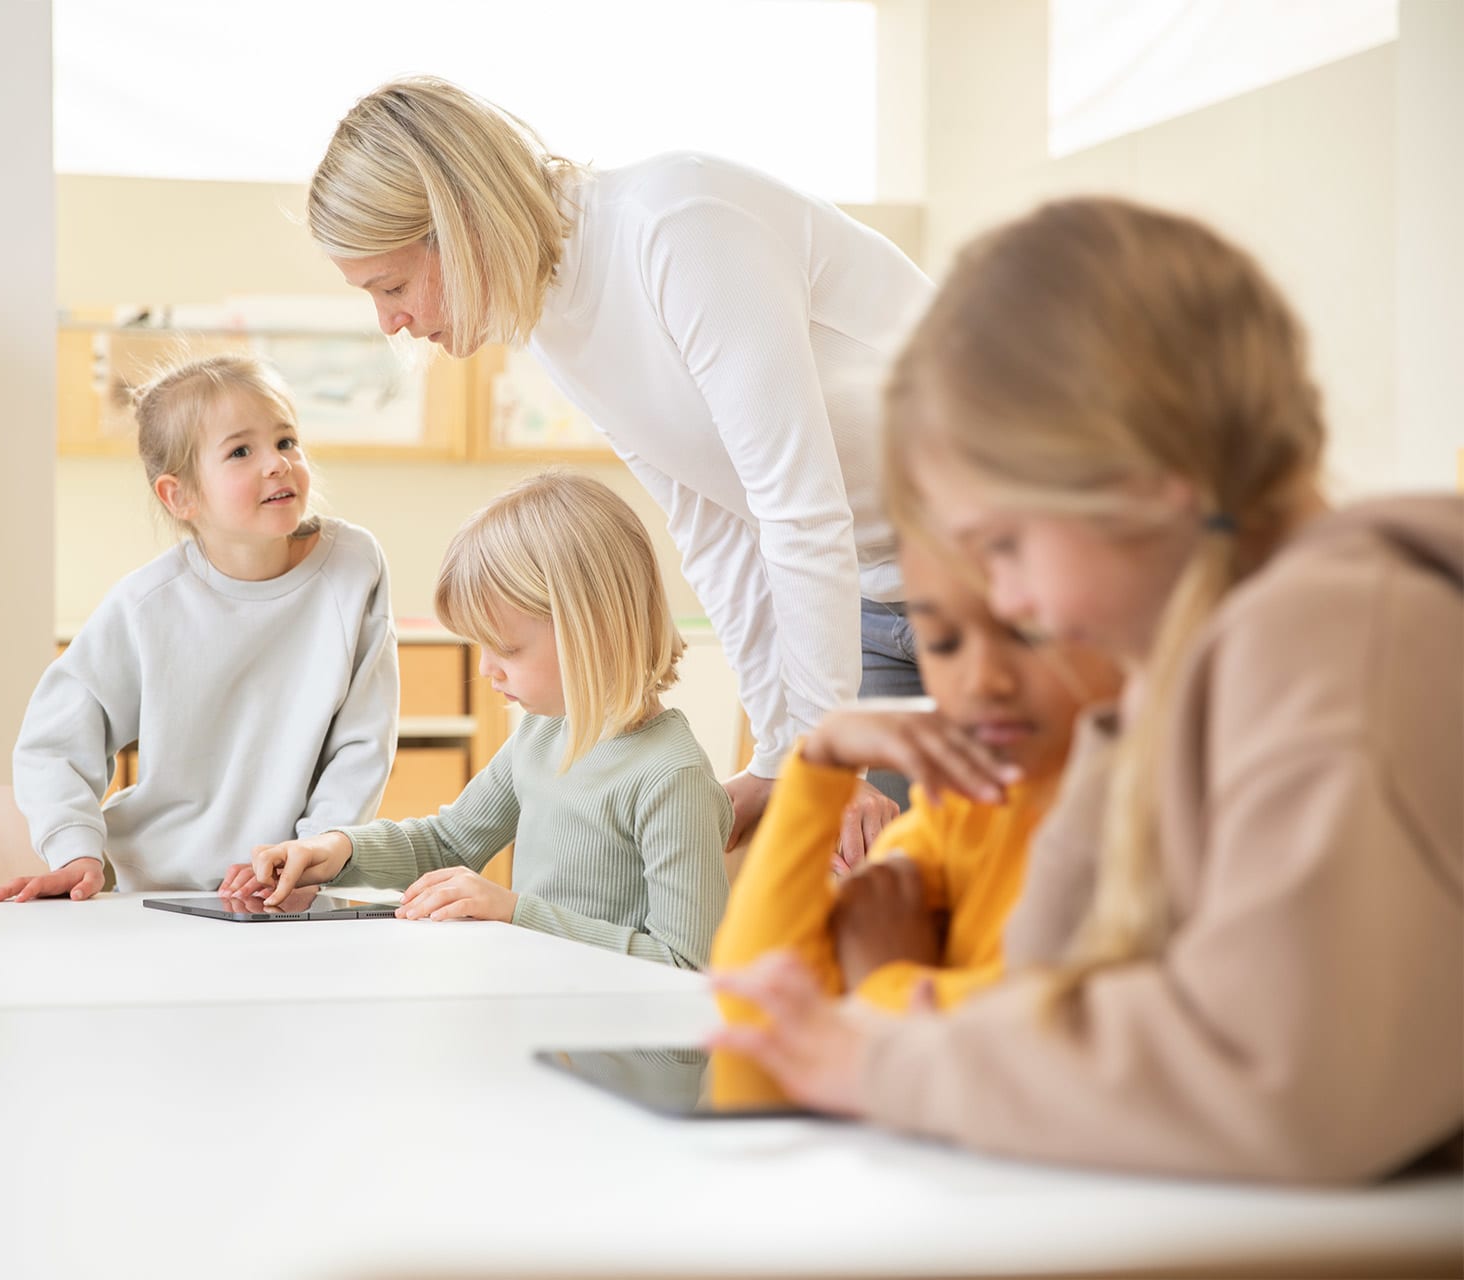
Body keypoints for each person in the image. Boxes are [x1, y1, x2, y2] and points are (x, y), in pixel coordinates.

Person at [711, 196, 1463, 1182]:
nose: (1012, 596)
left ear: (1153, 479)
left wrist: (888, 1048)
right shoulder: (1191, 667)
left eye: (1008, 546)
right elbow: (1056, 972)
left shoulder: (1329, 637)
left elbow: (1277, 1078)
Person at [307, 76, 935, 866]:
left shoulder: (678, 226)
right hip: (880, 599)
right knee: (868, 900)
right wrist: (782, 753)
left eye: (391, 286)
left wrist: (820, 758)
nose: (389, 321)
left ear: (462, 223)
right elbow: (714, 526)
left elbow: (797, 508)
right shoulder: (550, 322)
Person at [242, 471, 731, 968]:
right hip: (543, 1018)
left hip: (614, 1042)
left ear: (592, 630)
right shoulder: (543, 735)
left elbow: (687, 967)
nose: (485, 668)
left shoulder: (671, 778)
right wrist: (339, 850)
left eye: (506, 648)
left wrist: (516, 914)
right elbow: (449, 841)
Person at [708, 534, 1121, 1103]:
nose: (981, 682)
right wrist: (820, 763)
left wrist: (884, 980)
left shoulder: (1134, 821)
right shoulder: (962, 810)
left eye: (1028, 634)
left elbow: (1045, 1063)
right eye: (944, 642)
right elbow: (754, 1034)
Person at [0, 353, 398, 901]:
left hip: (292, 891)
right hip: (155, 891)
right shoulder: (147, 605)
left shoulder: (354, 566)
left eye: (285, 441)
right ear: (178, 495)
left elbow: (362, 742)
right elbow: (55, 737)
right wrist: (76, 849)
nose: (276, 464)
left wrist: (313, 852)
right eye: (239, 451)